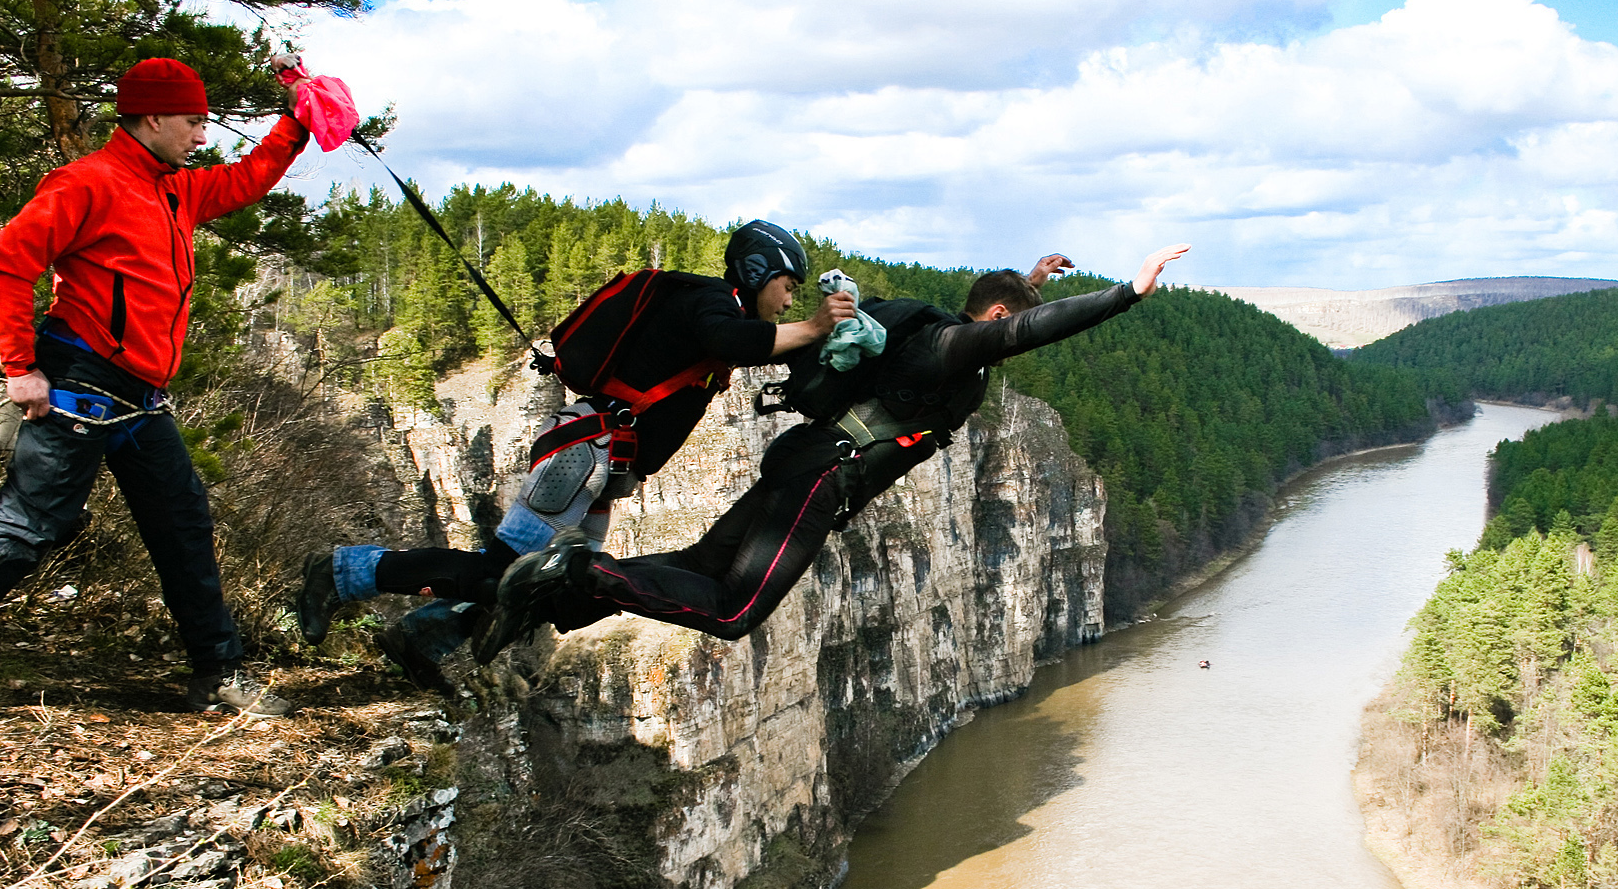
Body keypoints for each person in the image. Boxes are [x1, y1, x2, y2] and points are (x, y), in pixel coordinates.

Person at [473, 243, 1189, 652]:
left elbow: (1004, 310)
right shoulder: (947, 348)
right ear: (995, 317)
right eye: (1009, 321)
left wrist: (1031, 277)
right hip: (822, 480)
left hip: (802, 457)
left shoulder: (926, 330)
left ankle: (542, 597)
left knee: (694, 566)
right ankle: (581, 572)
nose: (1009, 346)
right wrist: (1127, 290)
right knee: (731, 611)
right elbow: (1019, 329)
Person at [0, 58, 319, 725]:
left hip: (141, 396)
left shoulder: (174, 189)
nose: (202, 137)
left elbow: (244, 181)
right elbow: (6, 261)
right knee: (33, 523)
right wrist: (18, 364)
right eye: (192, 122)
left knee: (182, 521)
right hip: (79, 379)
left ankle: (217, 672)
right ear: (152, 117)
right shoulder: (87, 182)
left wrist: (295, 122)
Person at [296, 221, 853, 682]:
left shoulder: (724, 316)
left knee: (552, 584)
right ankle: (346, 571)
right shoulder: (709, 302)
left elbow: (762, 351)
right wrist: (814, 324)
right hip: (586, 452)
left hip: (606, 466)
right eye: (787, 284)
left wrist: (841, 336)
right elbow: (734, 342)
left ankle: (423, 636)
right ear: (759, 272)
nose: (788, 299)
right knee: (507, 572)